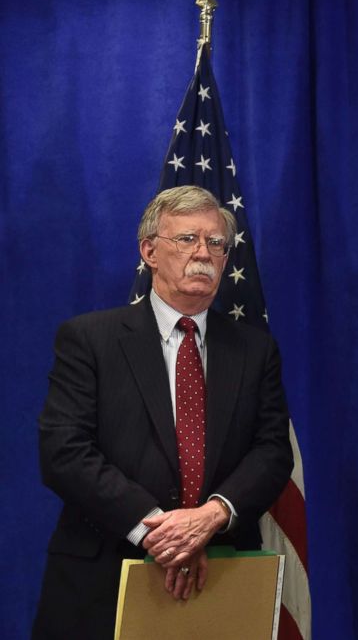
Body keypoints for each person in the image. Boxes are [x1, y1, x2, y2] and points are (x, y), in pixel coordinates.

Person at [33, 185, 293, 639]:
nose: (204, 253)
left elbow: (271, 452)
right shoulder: (90, 339)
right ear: (149, 251)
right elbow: (65, 453)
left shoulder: (256, 350)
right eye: (187, 239)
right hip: (103, 575)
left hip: (222, 572)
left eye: (216, 243)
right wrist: (159, 532)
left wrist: (210, 517)